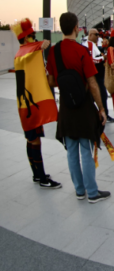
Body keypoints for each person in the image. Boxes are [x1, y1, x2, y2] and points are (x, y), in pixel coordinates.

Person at [46, 12, 110, 203]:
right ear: (76, 28)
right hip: (83, 107)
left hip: (66, 107)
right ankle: (92, 192)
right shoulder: (82, 51)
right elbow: (92, 83)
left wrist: (67, 87)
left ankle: (79, 190)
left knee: (71, 151)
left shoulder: (53, 52)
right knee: (86, 149)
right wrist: (101, 108)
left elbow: (51, 80)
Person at [11, 18, 61, 189]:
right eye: (32, 35)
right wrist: (43, 43)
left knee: (30, 139)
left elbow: (33, 48)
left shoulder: (20, 55)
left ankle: (36, 174)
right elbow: (34, 47)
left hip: (25, 105)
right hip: (29, 106)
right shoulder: (25, 53)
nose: (34, 37)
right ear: (26, 39)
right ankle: (41, 178)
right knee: (35, 141)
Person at [84, 28, 114, 123]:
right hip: (96, 75)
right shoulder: (89, 44)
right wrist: (103, 58)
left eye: (98, 35)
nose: (98, 36)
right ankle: (102, 113)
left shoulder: (92, 44)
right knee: (101, 95)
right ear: (90, 35)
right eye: (96, 34)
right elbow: (92, 60)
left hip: (97, 75)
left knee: (101, 95)